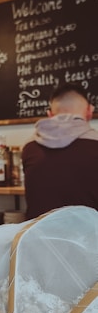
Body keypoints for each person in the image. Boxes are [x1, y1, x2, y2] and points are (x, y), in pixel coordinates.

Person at [22, 83, 98, 219]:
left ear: (50, 114)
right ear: (89, 112)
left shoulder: (29, 147)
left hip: (36, 237)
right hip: (87, 238)